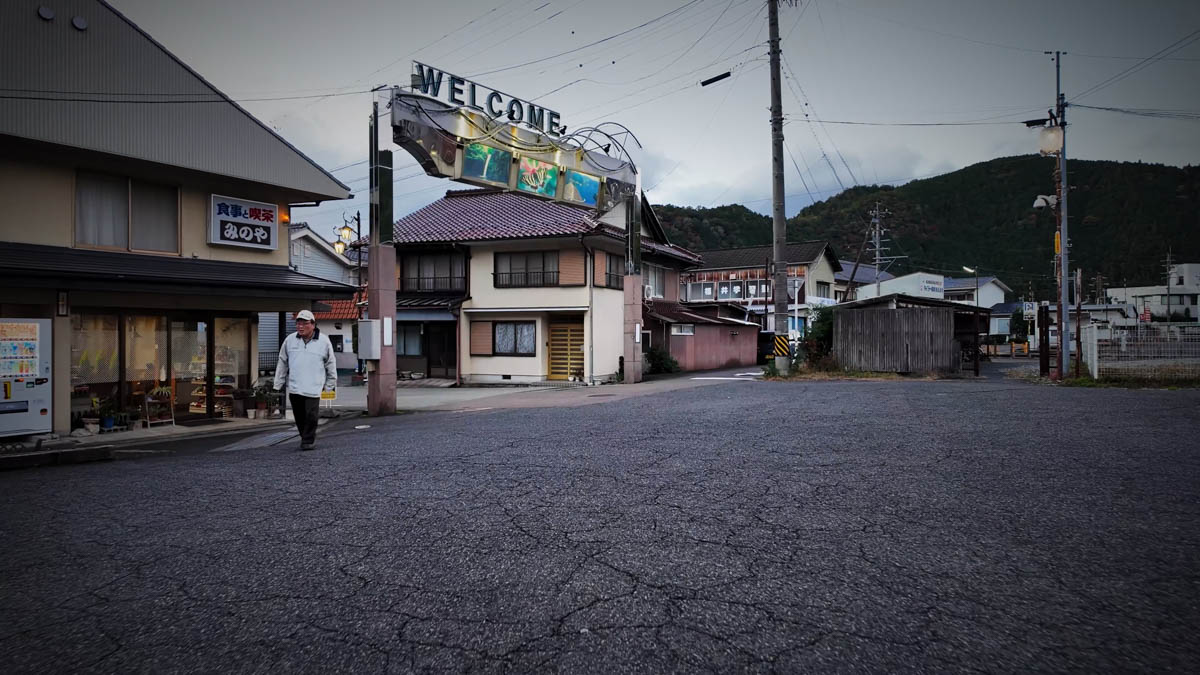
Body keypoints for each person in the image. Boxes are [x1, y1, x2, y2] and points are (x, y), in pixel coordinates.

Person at [274, 309, 336, 451]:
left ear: (313, 324)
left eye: (304, 323)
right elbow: (282, 361)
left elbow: (331, 364)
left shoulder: (324, 341)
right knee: (300, 416)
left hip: (313, 387)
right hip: (295, 386)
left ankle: (308, 440)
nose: (300, 327)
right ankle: (305, 437)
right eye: (298, 323)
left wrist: (329, 385)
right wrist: (278, 383)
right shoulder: (290, 340)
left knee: (311, 416)